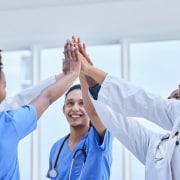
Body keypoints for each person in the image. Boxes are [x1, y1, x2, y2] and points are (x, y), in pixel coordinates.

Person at [67, 37, 180, 180]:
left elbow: (143, 100)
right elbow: (113, 118)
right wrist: (87, 73)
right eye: (174, 94)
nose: (176, 96)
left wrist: (90, 69)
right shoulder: (155, 147)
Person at [0, 43, 80, 180]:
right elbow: (45, 97)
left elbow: (26, 98)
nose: (75, 108)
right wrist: (73, 73)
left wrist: (66, 75)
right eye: (4, 86)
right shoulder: (8, 124)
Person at [46, 41, 113, 180]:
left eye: (82, 103)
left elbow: (94, 111)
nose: (75, 108)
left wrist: (83, 70)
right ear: (63, 109)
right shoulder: (56, 148)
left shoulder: (99, 138)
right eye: (70, 103)